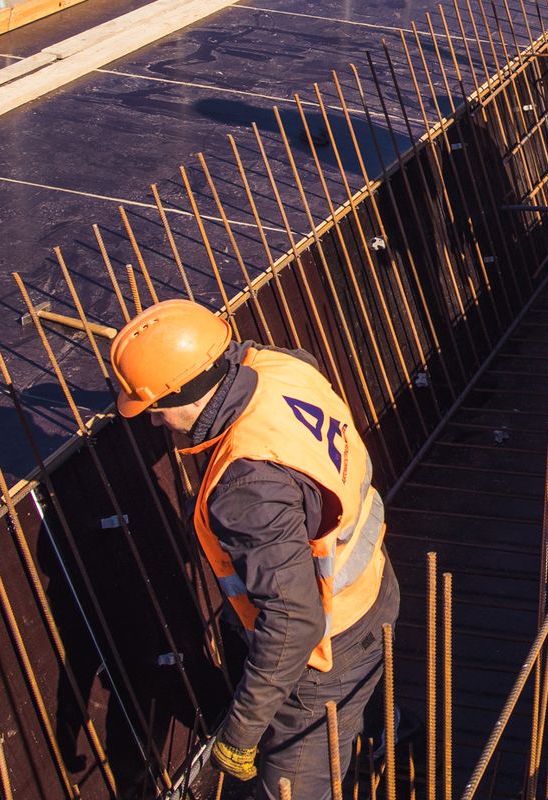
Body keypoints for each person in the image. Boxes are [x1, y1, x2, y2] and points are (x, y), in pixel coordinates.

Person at [108, 298, 397, 798]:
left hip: (329, 647)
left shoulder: (247, 487)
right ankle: (383, 737)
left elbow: (294, 623)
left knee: (292, 785)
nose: (154, 422)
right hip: (376, 586)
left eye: (157, 408)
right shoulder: (283, 366)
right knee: (364, 704)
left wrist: (240, 735)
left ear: (189, 395)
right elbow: (235, 350)